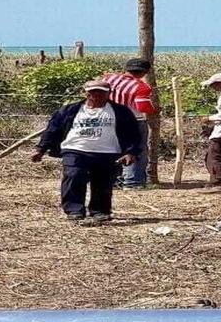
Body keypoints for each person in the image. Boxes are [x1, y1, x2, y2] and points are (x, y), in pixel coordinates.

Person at [32, 80, 141, 222]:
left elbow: (132, 134)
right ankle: (74, 210)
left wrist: (130, 152)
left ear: (109, 93)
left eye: (101, 91)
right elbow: (52, 130)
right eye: (92, 91)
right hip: (75, 149)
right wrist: (41, 149)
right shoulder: (69, 110)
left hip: (107, 152)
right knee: (73, 175)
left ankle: (100, 211)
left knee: (103, 182)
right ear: (85, 92)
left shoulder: (120, 112)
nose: (96, 94)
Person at [101, 58, 158, 188]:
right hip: (133, 121)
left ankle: (112, 181)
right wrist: (154, 109)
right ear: (145, 72)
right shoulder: (141, 86)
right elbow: (143, 107)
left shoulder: (108, 79)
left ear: (126, 69)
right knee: (136, 151)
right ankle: (133, 182)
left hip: (108, 120)